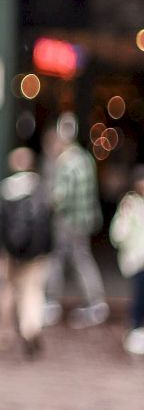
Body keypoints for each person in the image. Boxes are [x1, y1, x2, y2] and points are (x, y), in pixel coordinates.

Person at [44, 118, 108, 328]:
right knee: (81, 258)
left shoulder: (65, 161)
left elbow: (60, 197)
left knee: (60, 260)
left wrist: (47, 203)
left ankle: (53, 303)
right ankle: (96, 303)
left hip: (67, 221)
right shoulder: (85, 158)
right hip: (84, 220)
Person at [0, 146, 55, 356]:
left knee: (7, 290)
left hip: (11, 252)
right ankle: (30, 328)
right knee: (32, 291)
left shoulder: (5, 189)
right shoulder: (40, 188)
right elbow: (48, 222)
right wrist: (47, 249)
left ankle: (4, 334)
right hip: (35, 253)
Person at [109, 167, 144, 357]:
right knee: (139, 295)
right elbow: (117, 235)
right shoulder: (129, 205)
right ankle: (135, 328)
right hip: (138, 260)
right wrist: (125, 216)